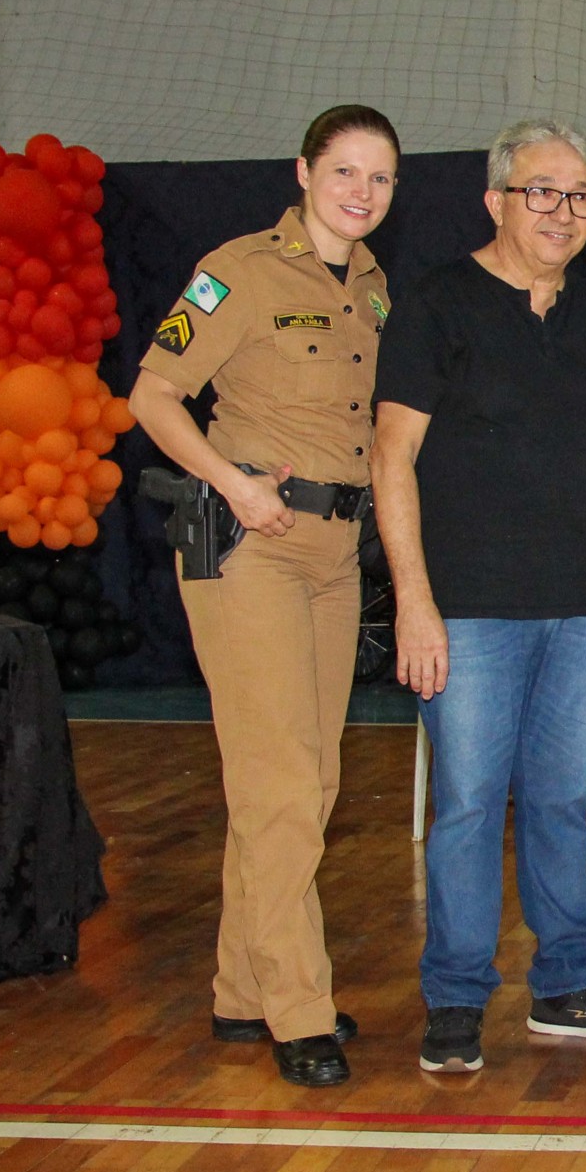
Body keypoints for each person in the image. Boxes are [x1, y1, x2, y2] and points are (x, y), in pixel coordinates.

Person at [374, 117, 586, 1075]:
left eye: (579, 195)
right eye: (542, 191)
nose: (562, 211)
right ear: (496, 199)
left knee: (560, 801)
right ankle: (457, 996)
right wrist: (413, 600)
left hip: (582, 606)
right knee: (467, 803)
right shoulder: (436, 305)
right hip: (466, 608)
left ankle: (566, 985)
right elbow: (391, 459)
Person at [127, 104, 400, 1088]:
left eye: (380, 177)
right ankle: (298, 1007)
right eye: (345, 171)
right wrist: (231, 483)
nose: (362, 191)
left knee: (305, 780)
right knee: (281, 782)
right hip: (248, 545)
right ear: (303, 172)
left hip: (334, 550)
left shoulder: (372, 288)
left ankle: (242, 986)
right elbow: (152, 395)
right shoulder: (236, 271)